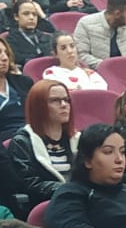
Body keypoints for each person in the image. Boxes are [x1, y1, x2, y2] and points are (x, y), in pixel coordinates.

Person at [7, 81, 79, 213]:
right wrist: (68, 189)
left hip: (80, 203)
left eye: (66, 100)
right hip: (47, 208)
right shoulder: (22, 142)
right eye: (55, 100)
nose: (64, 105)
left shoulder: (78, 139)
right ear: (38, 106)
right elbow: (29, 183)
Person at [73, 0, 126, 68]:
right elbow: (81, 55)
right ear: (117, 14)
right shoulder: (85, 24)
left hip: (125, 73)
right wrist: (107, 67)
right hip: (96, 72)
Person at [40, 32, 105, 91]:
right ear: (55, 54)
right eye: (63, 48)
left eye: (72, 46)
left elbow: (102, 90)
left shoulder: (88, 73)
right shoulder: (51, 73)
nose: (70, 51)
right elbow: (59, 91)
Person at [3, 0, 57, 69]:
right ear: (16, 16)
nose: (31, 17)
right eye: (26, 14)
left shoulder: (46, 37)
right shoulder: (10, 41)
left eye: (34, 14)